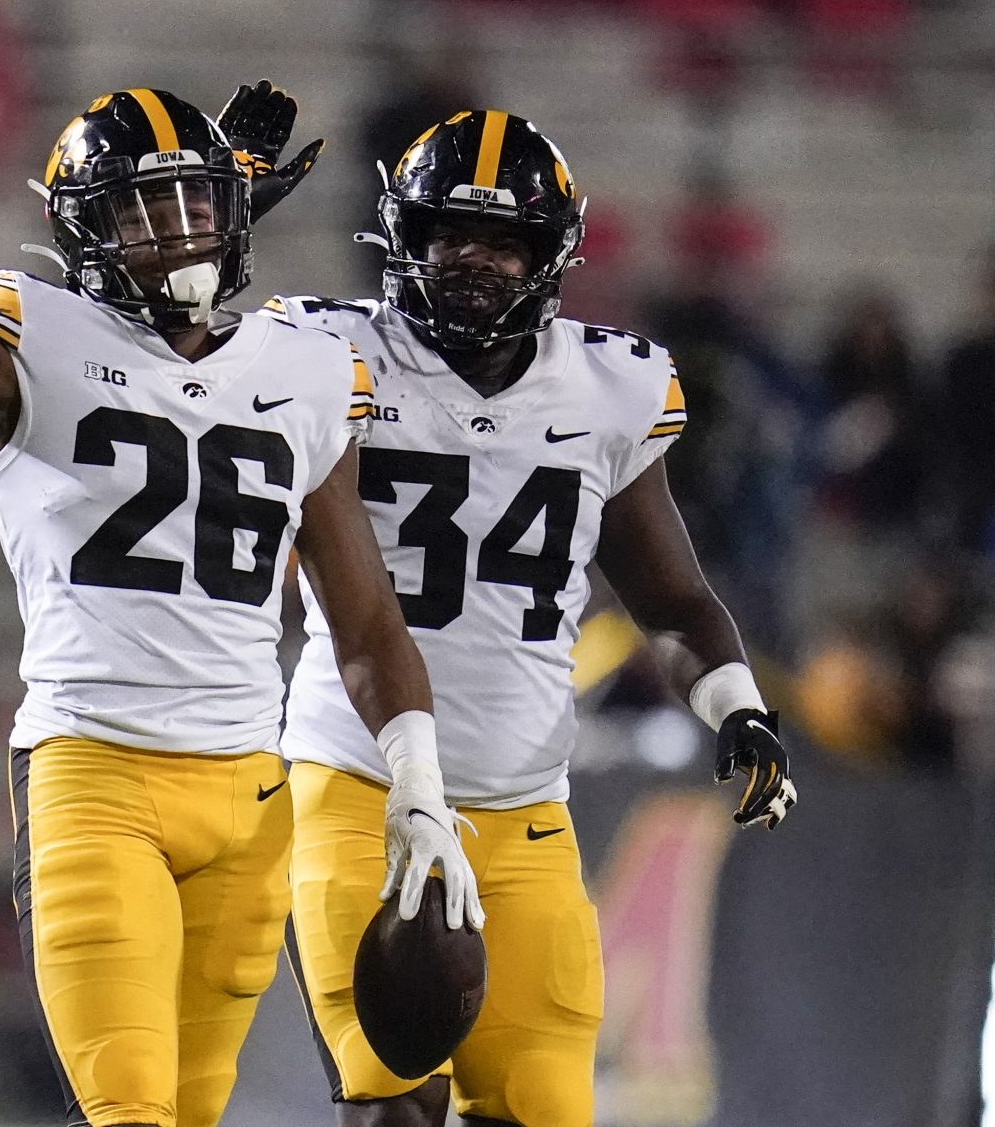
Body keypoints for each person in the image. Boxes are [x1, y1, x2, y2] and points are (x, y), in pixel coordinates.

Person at [0, 88, 481, 1127]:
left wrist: (419, 784)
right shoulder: (36, 329)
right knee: (128, 1112)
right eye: (142, 211)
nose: (176, 232)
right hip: (95, 774)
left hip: (250, 796)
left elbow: (366, 616)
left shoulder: (299, 364)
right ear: (87, 230)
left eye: (193, 201)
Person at [252, 108, 798, 1126]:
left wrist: (737, 704)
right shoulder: (323, 353)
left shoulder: (609, 384)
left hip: (524, 809)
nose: (472, 261)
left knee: (540, 1107)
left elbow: (670, 595)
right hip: (357, 782)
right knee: (389, 1103)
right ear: (402, 239)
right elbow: (171, 374)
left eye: (502, 240)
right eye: (450, 234)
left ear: (549, 255)